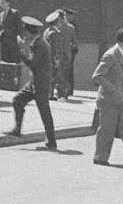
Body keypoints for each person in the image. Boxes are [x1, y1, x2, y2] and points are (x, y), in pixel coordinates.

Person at [91, 28, 123, 167]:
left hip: (120, 99)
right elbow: (97, 76)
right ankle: (100, 157)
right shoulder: (110, 55)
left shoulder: (121, 53)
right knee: (107, 129)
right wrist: (113, 90)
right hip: (108, 100)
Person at [4, 17, 57, 149]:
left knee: (44, 112)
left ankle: (52, 142)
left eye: (25, 31)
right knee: (17, 100)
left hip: (41, 84)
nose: (24, 34)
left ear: (30, 31)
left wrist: (21, 52)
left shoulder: (40, 45)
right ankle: (17, 129)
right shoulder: (36, 42)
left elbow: (33, 64)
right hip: (35, 82)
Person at [45, 10, 73, 99]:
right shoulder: (54, 33)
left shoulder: (47, 31)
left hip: (48, 58)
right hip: (53, 58)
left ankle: (50, 94)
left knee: (52, 76)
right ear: (56, 22)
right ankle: (51, 94)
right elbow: (54, 48)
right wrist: (56, 59)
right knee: (54, 76)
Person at [0, 0, 24, 64]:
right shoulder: (1, 14)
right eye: (0, 3)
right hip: (4, 42)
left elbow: (19, 26)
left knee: (14, 61)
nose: (1, 5)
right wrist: (0, 33)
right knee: (4, 61)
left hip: (13, 41)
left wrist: (20, 37)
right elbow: (1, 27)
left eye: (3, 3)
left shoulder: (14, 12)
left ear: (7, 3)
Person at [60, 9, 78, 98]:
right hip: (66, 53)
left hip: (64, 53)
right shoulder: (70, 27)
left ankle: (65, 91)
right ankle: (65, 91)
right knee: (65, 72)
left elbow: (74, 42)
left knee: (64, 72)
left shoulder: (70, 27)